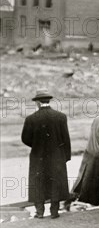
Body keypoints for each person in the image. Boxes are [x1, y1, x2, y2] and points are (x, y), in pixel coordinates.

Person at [21, 89, 71, 219]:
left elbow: (25, 139)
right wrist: (65, 157)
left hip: (38, 156)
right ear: (49, 101)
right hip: (57, 156)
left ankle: (40, 212)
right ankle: (54, 212)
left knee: (38, 182)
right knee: (55, 182)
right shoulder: (61, 117)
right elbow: (66, 139)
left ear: (37, 102)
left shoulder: (31, 119)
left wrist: (37, 145)